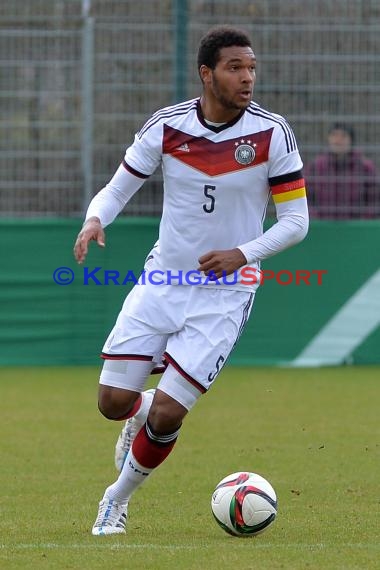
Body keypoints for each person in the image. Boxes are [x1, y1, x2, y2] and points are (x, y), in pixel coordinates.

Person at [73, 25, 309, 536]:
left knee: (169, 412)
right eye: (234, 68)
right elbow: (117, 188)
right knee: (112, 405)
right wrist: (96, 219)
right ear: (207, 74)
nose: (247, 78)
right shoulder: (167, 125)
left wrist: (242, 254)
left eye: (251, 68)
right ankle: (135, 414)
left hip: (227, 292)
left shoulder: (273, 133)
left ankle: (116, 500)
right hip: (162, 280)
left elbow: (297, 222)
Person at [304, 123, 379, 219]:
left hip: (357, 228)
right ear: (328, 139)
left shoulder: (365, 167)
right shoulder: (315, 166)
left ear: (351, 140)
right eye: (334, 135)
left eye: (343, 136)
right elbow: (304, 197)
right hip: (322, 227)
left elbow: (375, 200)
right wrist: (315, 218)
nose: (338, 140)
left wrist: (363, 220)